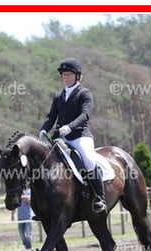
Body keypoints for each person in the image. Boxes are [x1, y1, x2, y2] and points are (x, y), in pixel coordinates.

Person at [38, 57, 106, 213]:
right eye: (64, 75)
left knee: (88, 160)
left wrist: (70, 127)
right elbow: (51, 116)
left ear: (77, 76)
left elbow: (85, 115)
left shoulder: (84, 94)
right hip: (60, 137)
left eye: (69, 74)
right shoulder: (58, 96)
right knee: (43, 161)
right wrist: (44, 129)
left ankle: (99, 198)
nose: (66, 77)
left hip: (79, 136)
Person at [17, 187, 33, 251]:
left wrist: (25, 196)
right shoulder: (19, 192)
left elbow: (31, 202)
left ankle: (29, 247)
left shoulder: (30, 191)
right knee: (21, 233)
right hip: (20, 216)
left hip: (28, 216)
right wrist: (12, 215)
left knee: (27, 233)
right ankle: (25, 246)